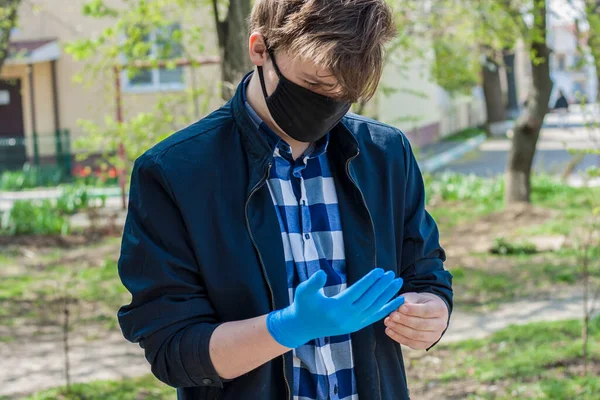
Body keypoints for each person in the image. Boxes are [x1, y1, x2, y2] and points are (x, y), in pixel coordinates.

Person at [117, 1, 453, 399]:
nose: (330, 101)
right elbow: (173, 349)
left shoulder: (386, 154)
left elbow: (426, 275)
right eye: (314, 85)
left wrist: (432, 312)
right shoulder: (174, 172)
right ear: (260, 49)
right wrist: (286, 328)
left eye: (345, 91)